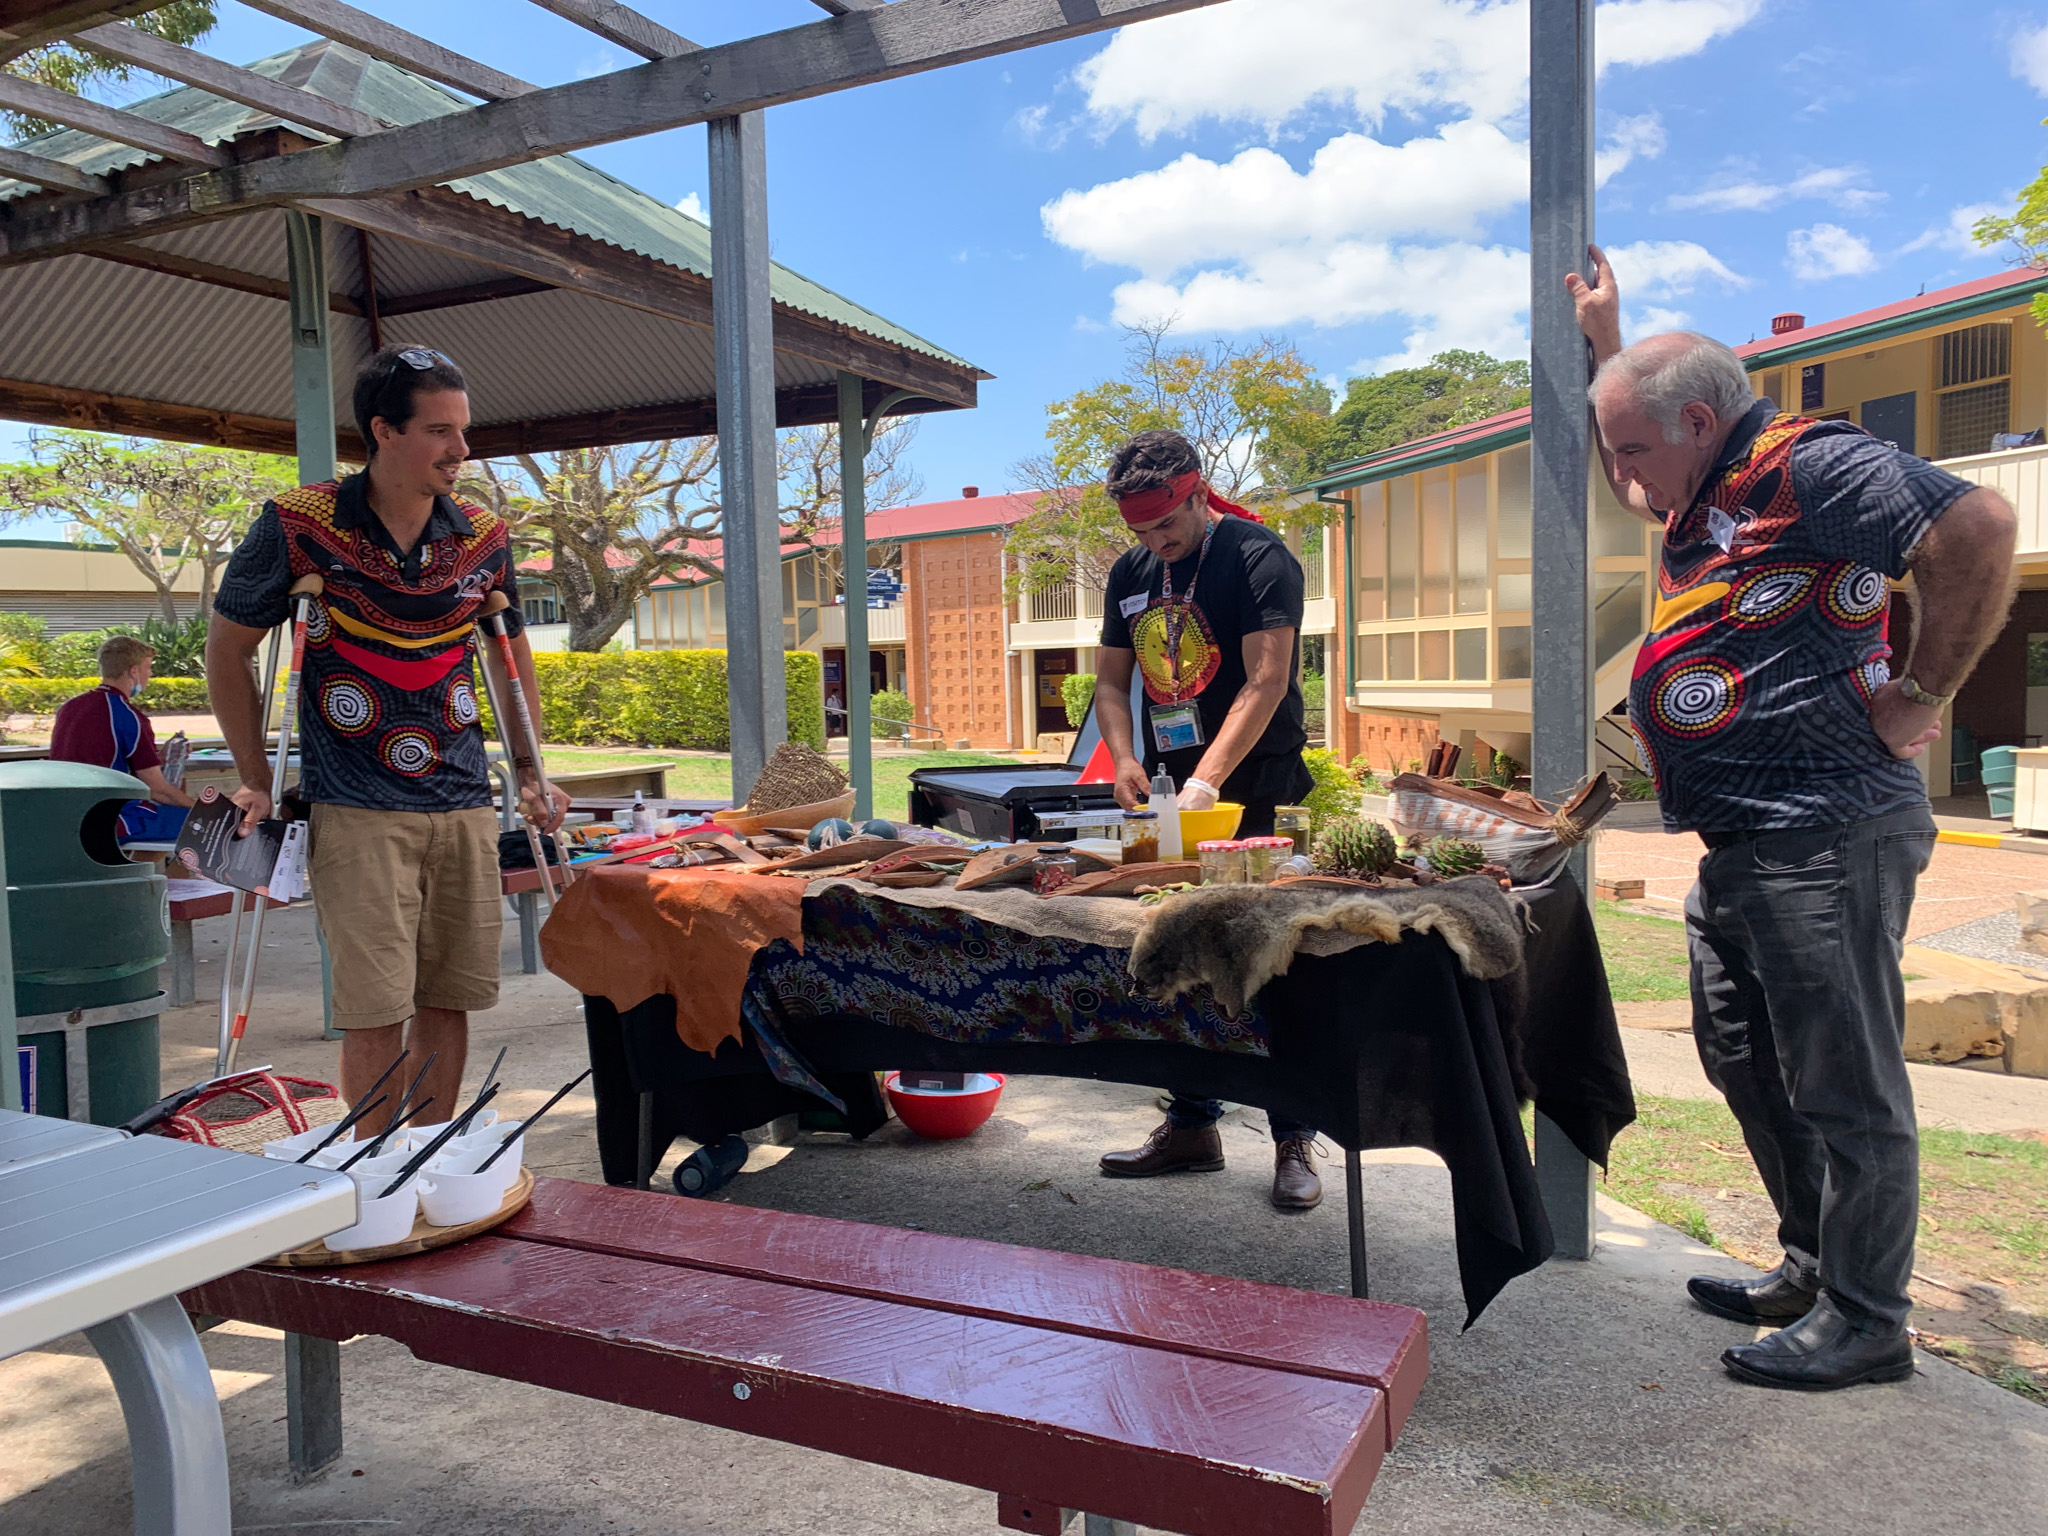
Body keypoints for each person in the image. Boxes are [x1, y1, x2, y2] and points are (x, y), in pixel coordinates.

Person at [1568, 247, 2018, 1390]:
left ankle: (1869, 1321)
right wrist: (1603, 343)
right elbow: (1630, 478)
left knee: (1844, 1082)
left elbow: (1976, 528)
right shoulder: (1700, 486)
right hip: (1743, 838)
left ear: (1702, 419)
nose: (1622, 475)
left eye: (1632, 446)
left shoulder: (1813, 466)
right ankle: (1812, 1261)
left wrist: (1917, 698)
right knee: (1740, 1058)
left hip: (1826, 829)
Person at [207, 345, 569, 1137]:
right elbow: (228, 650)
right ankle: (371, 1171)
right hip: (357, 807)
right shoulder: (298, 526)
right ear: (383, 431)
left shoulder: (481, 534)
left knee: (451, 996)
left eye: (463, 431)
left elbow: (511, 656)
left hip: (465, 801)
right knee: (376, 1009)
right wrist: (252, 778)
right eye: (440, 432)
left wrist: (534, 771)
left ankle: (429, 1154)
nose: (461, 451)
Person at [1090, 429, 1323, 1209]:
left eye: (1167, 526)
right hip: (1171, 785)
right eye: (1141, 533)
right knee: (1178, 948)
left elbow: (1266, 681)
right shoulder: (1132, 572)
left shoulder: (1259, 556)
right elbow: (1113, 683)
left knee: (1276, 957)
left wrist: (1209, 781)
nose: (1157, 544)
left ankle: (1294, 1139)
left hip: (1258, 784)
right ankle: (1192, 1124)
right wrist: (1124, 758)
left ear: (1199, 493)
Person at [49, 634, 196, 842]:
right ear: (133, 671)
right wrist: (203, 810)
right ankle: (156, 873)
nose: (150, 675)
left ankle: (146, 873)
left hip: (65, 814)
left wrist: (159, 758)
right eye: (148, 668)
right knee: (202, 827)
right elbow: (158, 791)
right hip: (111, 818)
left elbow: (98, 757)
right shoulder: (129, 716)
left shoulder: (69, 708)